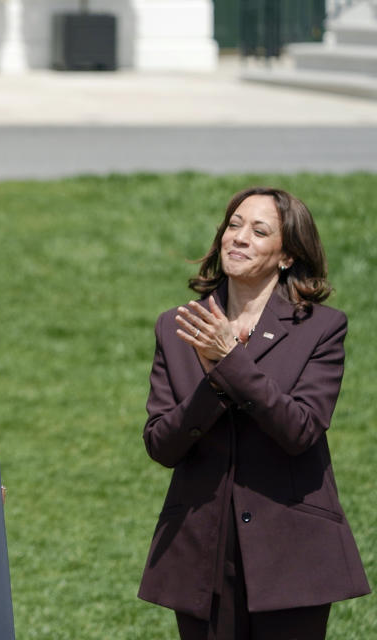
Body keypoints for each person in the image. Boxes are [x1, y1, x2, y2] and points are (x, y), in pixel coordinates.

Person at [137, 187, 370, 639]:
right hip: (202, 551)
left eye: (259, 231)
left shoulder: (322, 327)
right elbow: (161, 443)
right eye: (234, 225)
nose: (239, 238)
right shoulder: (177, 326)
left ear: (286, 256)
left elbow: (299, 429)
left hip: (292, 553)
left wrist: (230, 362)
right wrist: (215, 382)